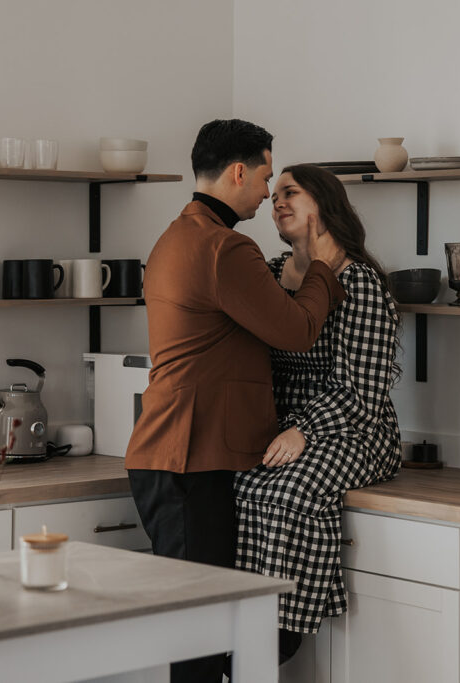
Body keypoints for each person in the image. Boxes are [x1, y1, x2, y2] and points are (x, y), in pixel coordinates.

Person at [124, 121, 347, 683]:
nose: (269, 194)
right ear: (239, 171)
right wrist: (323, 262)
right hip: (188, 463)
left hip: (174, 456)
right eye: (267, 177)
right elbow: (297, 330)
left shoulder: (179, 235)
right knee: (198, 644)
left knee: (196, 637)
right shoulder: (225, 247)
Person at [233, 163, 403, 664]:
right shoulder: (268, 273)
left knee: (283, 489)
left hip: (354, 430)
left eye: (291, 192)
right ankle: (241, 626)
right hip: (282, 426)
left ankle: (281, 629)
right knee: (240, 484)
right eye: (275, 193)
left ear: (323, 206)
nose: (277, 200)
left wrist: (303, 430)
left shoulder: (360, 283)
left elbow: (362, 391)